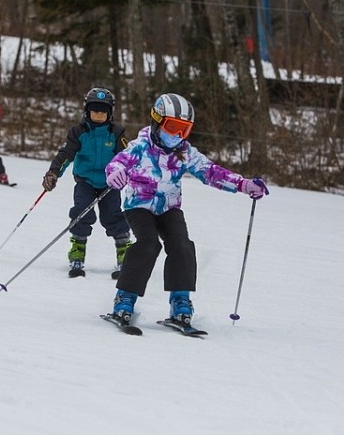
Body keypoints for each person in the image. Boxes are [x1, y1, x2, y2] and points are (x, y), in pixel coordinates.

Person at [103, 93, 269, 327]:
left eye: (184, 130)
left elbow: (210, 171)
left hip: (169, 208)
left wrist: (243, 184)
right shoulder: (140, 147)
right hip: (139, 206)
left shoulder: (184, 151)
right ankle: (125, 298)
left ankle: (180, 301)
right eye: (172, 127)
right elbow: (118, 163)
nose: (177, 135)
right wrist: (114, 173)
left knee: (182, 245)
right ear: (157, 121)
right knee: (148, 244)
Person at [42, 87, 132, 279]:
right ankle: (77, 250)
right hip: (85, 182)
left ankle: (124, 251)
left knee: (113, 215)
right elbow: (66, 154)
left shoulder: (116, 133)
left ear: (110, 113)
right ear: (87, 111)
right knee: (81, 212)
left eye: (103, 112)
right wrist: (53, 173)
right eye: (95, 111)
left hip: (110, 184)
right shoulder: (78, 132)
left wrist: (128, 174)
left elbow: (127, 157)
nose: (99, 115)